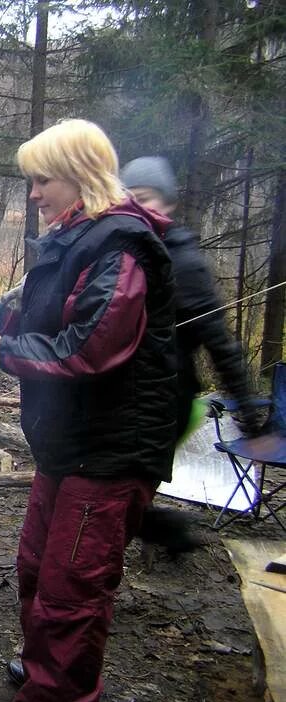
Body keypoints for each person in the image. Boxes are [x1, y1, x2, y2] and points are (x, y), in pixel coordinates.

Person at [0, 119, 177, 702]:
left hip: (111, 449)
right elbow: (46, 320)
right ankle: (45, 670)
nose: (34, 193)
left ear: (79, 177)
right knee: (37, 567)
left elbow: (90, 347)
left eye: (43, 181)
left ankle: (58, 695)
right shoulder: (74, 236)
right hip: (67, 444)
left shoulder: (121, 244)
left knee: (72, 592)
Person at [121, 156, 264, 553]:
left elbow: (221, 345)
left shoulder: (184, 264)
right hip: (125, 402)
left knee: (119, 497)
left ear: (168, 204)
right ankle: (160, 533)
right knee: (114, 495)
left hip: (165, 405)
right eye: (128, 198)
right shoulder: (126, 255)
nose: (137, 208)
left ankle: (170, 532)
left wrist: (250, 420)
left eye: (145, 199)